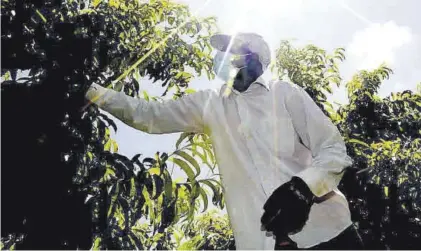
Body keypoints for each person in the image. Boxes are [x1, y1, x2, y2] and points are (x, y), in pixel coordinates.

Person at [85, 32, 364, 250]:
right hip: (262, 244)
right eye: (222, 51)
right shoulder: (209, 104)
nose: (224, 56)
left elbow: (333, 150)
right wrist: (93, 92)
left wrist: (304, 188)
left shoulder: (285, 94)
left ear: (257, 58)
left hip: (329, 232)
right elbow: (149, 115)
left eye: (234, 50)